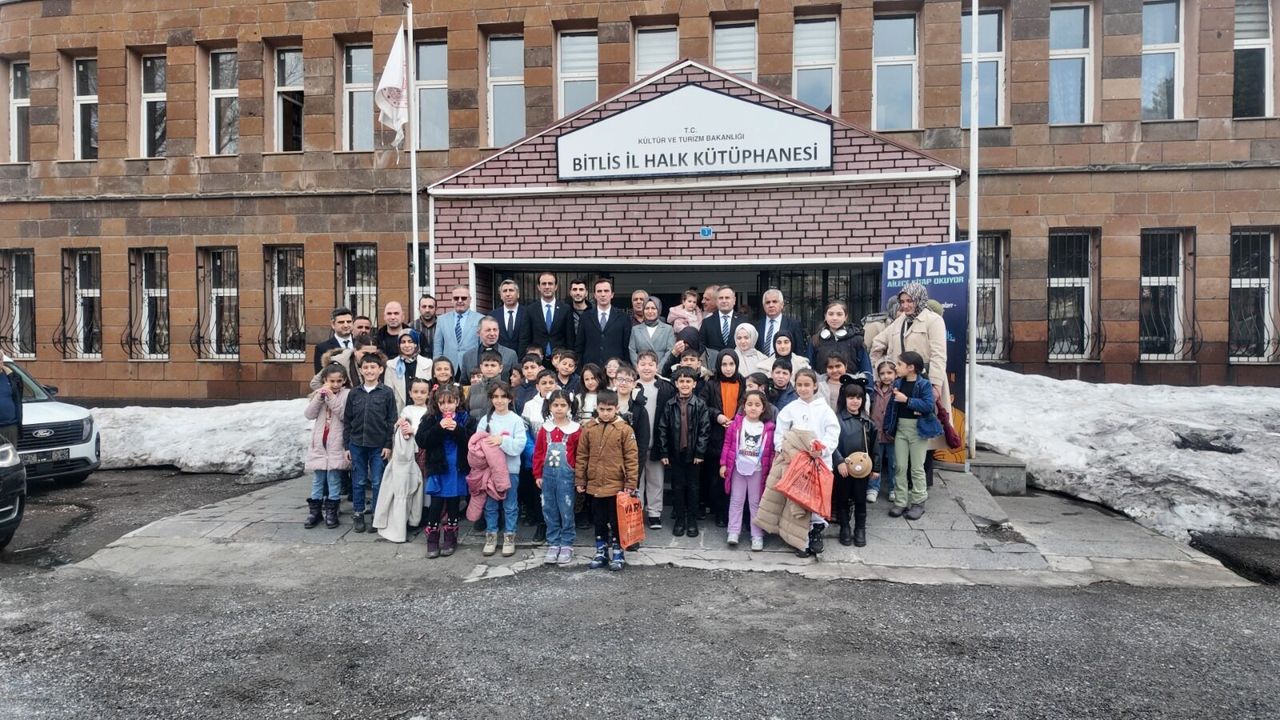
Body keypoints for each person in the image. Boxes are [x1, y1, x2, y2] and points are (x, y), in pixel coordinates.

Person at [870, 282, 951, 480]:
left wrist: (935, 384)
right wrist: (880, 366)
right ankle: (902, 483)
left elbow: (939, 354)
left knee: (925, 428)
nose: (905, 305)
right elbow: (877, 342)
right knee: (903, 427)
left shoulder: (934, 320)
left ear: (920, 299)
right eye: (902, 301)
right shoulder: (900, 321)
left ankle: (922, 482)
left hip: (925, 380)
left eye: (910, 301)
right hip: (901, 381)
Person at [773, 368, 840, 557]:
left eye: (807, 385)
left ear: (815, 386)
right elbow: (780, 431)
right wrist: (782, 448)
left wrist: (822, 449)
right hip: (797, 463)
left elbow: (833, 433)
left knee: (816, 499)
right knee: (799, 501)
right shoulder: (791, 408)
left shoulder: (824, 409)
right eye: (800, 385)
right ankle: (801, 539)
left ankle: (816, 533)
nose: (803, 389)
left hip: (819, 462)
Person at [574, 389, 640, 571]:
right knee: (599, 519)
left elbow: (632, 458)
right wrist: (580, 479)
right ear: (597, 408)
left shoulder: (625, 429)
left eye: (609, 409)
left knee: (616, 520)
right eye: (602, 409)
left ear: (617, 409)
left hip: (616, 485)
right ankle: (601, 550)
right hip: (595, 484)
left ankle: (618, 552)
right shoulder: (589, 428)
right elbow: (582, 455)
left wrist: (630, 483)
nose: (605, 413)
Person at [883, 351, 943, 521]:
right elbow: (891, 407)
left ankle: (918, 502)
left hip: (918, 430)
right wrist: (888, 428)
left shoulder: (923, 384)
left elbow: (928, 406)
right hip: (901, 429)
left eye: (899, 364)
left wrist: (907, 400)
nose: (896, 367)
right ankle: (900, 501)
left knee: (916, 468)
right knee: (899, 466)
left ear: (911, 367)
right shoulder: (898, 382)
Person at [415, 384, 472, 559]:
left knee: (454, 501)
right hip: (438, 466)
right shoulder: (430, 418)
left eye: (450, 402)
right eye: (442, 403)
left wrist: (457, 430)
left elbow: (470, 441)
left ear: (457, 402)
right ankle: (432, 538)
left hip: (457, 467)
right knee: (436, 503)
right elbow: (422, 440)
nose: (446, 406)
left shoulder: (465, 418)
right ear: (437, 404)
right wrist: (439, 428)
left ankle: (450, 537)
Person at [343, 352, 397, 534]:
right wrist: (347, 445)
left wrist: (388, 444)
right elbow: (347, 420)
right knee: (358, 481)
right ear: (360, 370)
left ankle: (377, 514)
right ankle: (358, 513)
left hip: (378, 445)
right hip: (357, 443)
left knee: (377, 481)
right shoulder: (354, 393)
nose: (369, 370)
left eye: (373, 367)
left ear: (380, 370)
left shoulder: (387, 393)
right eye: (365, 367)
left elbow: (391, 420)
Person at [655, 366, 711, 538]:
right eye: (681, 381)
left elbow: (705, 430)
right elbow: (662, 429)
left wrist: (700, 453)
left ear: (694, 384)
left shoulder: (700, 404)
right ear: (676, 384)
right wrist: (664, 452)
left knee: (693, 488)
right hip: (676, 454)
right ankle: (679, 519)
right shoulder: (670, 405)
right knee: (678, 488)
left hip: (694, 455)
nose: (685, 384)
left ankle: (692, 520)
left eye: (688, 381)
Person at [474, 381, 527, 557]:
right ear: (490, 399)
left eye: (503, 396)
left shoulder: (516, 420)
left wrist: (502, 441)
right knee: (490, 505)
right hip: (490, 471)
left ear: (510, 398)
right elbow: (477, 443)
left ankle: (509, 536)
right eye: (495, 397)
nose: (499, 400)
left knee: (510, 505)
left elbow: (519, 445)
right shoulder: (486, 420)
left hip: (510, 470)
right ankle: (491, 536)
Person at [373, 378, 430, 543]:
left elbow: (426, 429)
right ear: (410, 393)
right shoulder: (407, 409)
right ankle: (408, 516)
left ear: (428, 394)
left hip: (424, 449)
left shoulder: (429, 411)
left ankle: (423, 513)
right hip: (409, 452)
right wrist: (400, 426)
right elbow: (400, 427)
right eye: (416, 392)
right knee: (409, 484)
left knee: (424, 483)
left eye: (423, 392)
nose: (419, 395)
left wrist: (414, 430)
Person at [719, 389, 774, 551]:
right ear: (743, 406)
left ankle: (757, 535)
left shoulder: (768, 428)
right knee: (736, 500)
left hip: (757, 471)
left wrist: (770, 471)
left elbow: (771, 452)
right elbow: (727, 444)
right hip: (738, 469)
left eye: (757, 405)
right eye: (749, 404)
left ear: (763, 408)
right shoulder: (736, 424)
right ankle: (733, 531)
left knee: (755, 503)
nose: (753, 408)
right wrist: (723, 464)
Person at [533, 389, 581, 566]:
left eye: (563, 405)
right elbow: (538, 453)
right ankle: (553, 542)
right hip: (547, 477)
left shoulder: (576, 430)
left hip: (567, 477)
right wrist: (538, 474)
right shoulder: (545, 429)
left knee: (566, 509)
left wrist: (579, 477)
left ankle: (567, 543)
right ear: (549, 407)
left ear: (569, 407)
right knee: (549, 509)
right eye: (555, 405)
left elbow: (580, 455)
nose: (559, 408)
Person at [303, 364, 350, 530]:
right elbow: (309, 414)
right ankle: (315, 512)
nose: (335, 384)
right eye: (332, 381)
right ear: (325, 380)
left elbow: (345, 415)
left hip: (336, 444)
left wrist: (331, 397)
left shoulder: (347, 395)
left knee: (334, 479)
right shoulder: (320, 394)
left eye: (339, 381)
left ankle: (332, 511)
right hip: (320, 444)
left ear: (344, 380)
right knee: (318, 479)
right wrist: (319, 397)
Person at [835, 382, 877, 547]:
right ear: (844, 399)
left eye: (859, 398)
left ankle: (860, 528)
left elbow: (875, 446)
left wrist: (876, 467)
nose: (855, 401)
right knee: (842, 497)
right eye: (851, 397)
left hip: (862, 469)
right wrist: (839, 461)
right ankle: (844, 527)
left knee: (860, 498)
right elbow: (831, 444)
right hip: (843, 467)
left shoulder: (868, 422)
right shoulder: (837, 420)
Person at [635, 351, 674, 529]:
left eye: (651, 364)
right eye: (643, 364)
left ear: (657, 367)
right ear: (637, 367)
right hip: (636, 444)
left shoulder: (665, 387)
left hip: (657, 441)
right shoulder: (632, 386)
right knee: (636, 480)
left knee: (656, 479)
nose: (647, 368)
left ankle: (654, 513)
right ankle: (637, 512)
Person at [705, 349, 744, 528]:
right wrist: (717, 416)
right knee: (717, 476)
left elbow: (746, 403)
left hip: (737, 434)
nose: (728, 368)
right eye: (724, 364)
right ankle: (719, 511)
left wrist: (737, 418)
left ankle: (732, 511)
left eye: (731, 364)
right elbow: (703, 405)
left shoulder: (742, 382)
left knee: (734, 475)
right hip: (716, 435)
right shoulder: (711, 384)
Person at [575, 277, 631, 367]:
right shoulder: (585, 317)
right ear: (594, 295)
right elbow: (579, 346)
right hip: (591, 369)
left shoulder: (623, 318)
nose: (603, 294)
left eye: (606, 291)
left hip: (615, 369)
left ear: (612, 294)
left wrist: (625, 368)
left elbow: (626, 347)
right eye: (599, 291)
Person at [810, 301, 871, 375]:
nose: (834, 318)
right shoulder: (816, 340)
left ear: (845, 317)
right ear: (825, 316)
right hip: (823, 381)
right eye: (831, 314)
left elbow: (866, 370)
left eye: (839, 314)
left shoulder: (857, 339)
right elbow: (809, 369)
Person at [436, 286, 485, 377]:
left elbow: (482, 347)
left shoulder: (480, 319)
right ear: (451, 300)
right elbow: (438, 347)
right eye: (456, 298)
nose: (459, 300)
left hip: (472, 368)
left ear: (470, 300)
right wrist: (437, 367)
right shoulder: (442, 320)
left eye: (463, 298)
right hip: (447, 369)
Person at [868, 360, 898, 504]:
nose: (886, 376)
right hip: (876, 432)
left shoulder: (898, 389)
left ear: (895, 373)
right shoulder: (873, 390)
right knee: (876, 461)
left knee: (894, 463)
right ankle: (873, 488)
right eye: (882, 373)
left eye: (889, 373)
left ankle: (894, 488)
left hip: (892, 433)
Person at [530, 272, 575, 358]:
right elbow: (525, 338)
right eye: (544, 284)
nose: (547, 287)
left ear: (556, 286)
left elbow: (570, 338)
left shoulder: (565, 309)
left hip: (560, 359)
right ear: (538, 287)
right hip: (537, 359)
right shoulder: (530, 309)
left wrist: (570, 358)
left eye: (550, 283)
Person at [755, 288, 809, 359]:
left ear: (782, 304)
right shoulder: (757, 325)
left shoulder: (794, 325)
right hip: (761, 364)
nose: (771, 305)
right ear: (763, 306)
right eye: (767, 302)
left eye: (774, 301)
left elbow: (799, 352)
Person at [461, 316, 518, 381]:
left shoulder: (510, 355)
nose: (492, 333)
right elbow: (464, 383)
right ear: (478, 333)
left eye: (495, 330)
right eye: (488, 330)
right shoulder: (468, 356)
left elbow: (515, 382)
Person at [385, 333, 432, 412]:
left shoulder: (428, 363)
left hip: (423, 412)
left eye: (410, 341)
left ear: (416, 344)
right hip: (399, 411)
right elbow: (388, 393)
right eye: (403, 342)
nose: (406, 345)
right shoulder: (391, 365)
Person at [701, 285, 747, 362]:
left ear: (734, 300)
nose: (724, 301)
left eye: (727, 298)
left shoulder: (743, 321)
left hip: (738, 365)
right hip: (714, 366)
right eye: (721, 298)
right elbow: (702, 347)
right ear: (716, 301)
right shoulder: (707, 322)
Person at [489, 279, 532, 354]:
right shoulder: (493, 315)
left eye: (511, 290)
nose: (508, 294)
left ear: (518, 294)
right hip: (499, 358)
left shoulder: (528, 313)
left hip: (523, 358)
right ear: (501, 296)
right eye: (505, 291)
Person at [629, 297, 675, 366]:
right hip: (641, 369)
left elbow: (670, 351)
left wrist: (659, 368)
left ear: (658, 310)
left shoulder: (668, 329)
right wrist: (639, 368)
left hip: (661, 369)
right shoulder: (635, 330)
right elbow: (632, 351)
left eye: (653, 308)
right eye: (647, 308)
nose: (650, 311)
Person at [312, 307, 354, 372]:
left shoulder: (361, 344)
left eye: (349, 322)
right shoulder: (322, 348)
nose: (346, 325)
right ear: (333, 324)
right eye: (341, 322)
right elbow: (320, 374)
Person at [467, 349, 506, 417]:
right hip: (475, 423)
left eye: (493, 365)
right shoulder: (473, 388)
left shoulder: (505, 388)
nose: (489, 369)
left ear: (500, 368)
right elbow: (467, 410)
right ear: (481, 367)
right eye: (486, 365)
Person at [413, 294, 438, 359]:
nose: (427, 310)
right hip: (418, 364)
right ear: (419, 309)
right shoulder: (411, 327)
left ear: (436, 309)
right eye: (424, 307)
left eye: (431, 307)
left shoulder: (443, 325)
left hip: (439, 363)